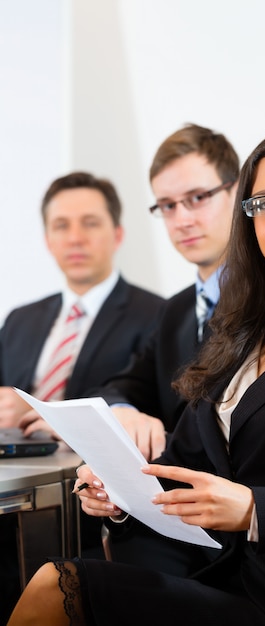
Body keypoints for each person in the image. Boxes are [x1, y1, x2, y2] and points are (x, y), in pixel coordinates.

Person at [8, 128, 265, 626]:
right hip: (221, 574)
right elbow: (184, 464)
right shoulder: (240, 339)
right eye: (264, 203)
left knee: (58, 585)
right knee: (57, 580)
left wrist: (255, 508)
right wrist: (118, 491)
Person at [0, 171, 164, 625]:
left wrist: (40, 410)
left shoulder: (158, 316)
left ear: (117, 234)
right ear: (47, 239)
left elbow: (146, 404)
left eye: (90, 223)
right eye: (61, 225)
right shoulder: (20, 320)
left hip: (92, 513)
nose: (75, 237)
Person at [97, 122, 239, 459]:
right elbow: (121, 386)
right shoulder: (176, 310)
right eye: (167, 205)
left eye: (198, 198)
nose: (181, 220)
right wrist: (123, 411)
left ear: (238, 192)